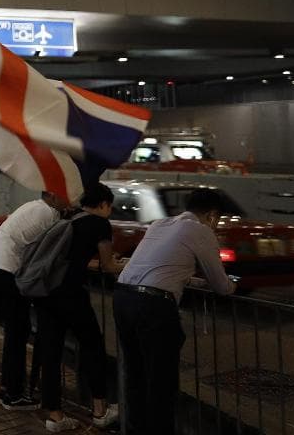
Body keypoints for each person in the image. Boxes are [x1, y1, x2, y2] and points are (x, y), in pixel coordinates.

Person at [114, 188, 236, 435]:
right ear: (212, 215)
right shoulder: (200, 231)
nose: (217, 225)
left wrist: (189, 280)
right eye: (218, 220)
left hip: (123, 296)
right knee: (162, 380)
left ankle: (135, 429)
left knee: (135, 373)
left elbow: (160, 264)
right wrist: (235, 283)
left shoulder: (160, 224)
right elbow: (221, 285)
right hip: (153, 306)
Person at [34, 183, 124, 432]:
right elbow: (108, 265)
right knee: (93, 346)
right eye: (110, 206)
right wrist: (125, 266)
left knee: (51, 353)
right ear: (104, 204)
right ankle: (100, 410)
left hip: (47, 291)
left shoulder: (69, 218)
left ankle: (55, 417)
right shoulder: (99, 224)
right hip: (71, 295)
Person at [0, 191, 71, 409]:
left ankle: (6, 387)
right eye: (65, 196)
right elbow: (49, 251)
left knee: (14, 331)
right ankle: (14, 394)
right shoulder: (48, 213)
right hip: (7, 271)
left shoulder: (31, 206)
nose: (68, 200)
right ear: (52, 195)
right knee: (18, 332)